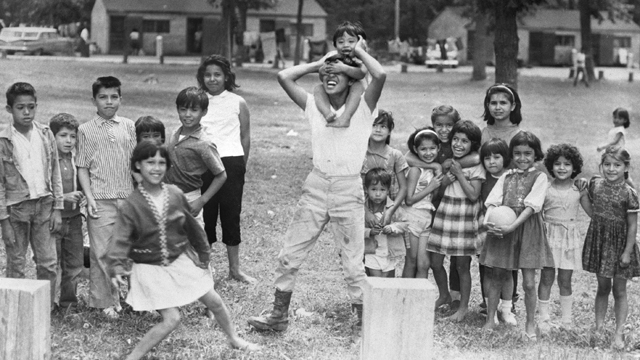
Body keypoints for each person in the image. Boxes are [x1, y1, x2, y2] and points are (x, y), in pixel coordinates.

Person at [247, 34, 386, 332]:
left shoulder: (363, 108)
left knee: (352, 263)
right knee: (289, 255)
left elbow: (381, 74)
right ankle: (278, 316)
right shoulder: (313, 105)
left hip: (348, 190)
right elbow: (284, 75)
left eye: (338, 74)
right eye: (327, 74)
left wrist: (358, 53)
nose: (330, 77)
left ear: (351, 80)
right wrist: (320, 63)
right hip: (316, 186)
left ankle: (365, 323)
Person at [104, 142, 258, 360]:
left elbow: (192, 227)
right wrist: (117, 266)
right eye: (150, 163)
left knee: (214, 300)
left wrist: (204, 253)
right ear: (137, 166)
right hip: (151, 269)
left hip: (179, 261)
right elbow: (120, 238)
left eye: (161, 163)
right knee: (172, 319)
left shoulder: (175, 194)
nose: (156, 168)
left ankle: (233, 338)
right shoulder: (132, 204)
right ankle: (133, 357)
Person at [405, 105, 480, 311]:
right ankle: (444, 294)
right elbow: (409, 156)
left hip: (456, 208)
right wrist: (437, 167)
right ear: (433, 125)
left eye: (449, 125)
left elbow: (476, 157)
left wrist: (452, 162)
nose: (444, 130)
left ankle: (456, 298)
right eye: (439, 125)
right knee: (433, 258)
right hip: (433, 206)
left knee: (458, 261)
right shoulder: (431, 140)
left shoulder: (459, 143)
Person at [485, 131, 554, 340]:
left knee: (529, 282)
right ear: (511, 154)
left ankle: (530, 324)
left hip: (527, 228)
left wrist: (512, 226)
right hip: (503, 229)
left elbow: (532, 206)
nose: (522, 158)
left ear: (536, 155)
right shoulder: (506, 176)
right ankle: (489, 320)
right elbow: (493, 201)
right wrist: (488, 223)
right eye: (517, 153)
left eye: (528, 153)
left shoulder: (540, 176)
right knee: (498, 275)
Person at [77, 76, 136, 318]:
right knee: (101, 252)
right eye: (103, 97)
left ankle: (136, 298)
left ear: (121, 99)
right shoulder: (85, 130)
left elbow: (136, 163)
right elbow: (82, 167)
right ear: (94, 100)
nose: (108, 102)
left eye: (113, 97)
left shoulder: (129, 126)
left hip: (128, 197)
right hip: (100, 199)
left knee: (131, 251)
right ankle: (105, 302)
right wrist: (89, 198)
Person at [0, 82, 63, 308]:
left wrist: (58, 208)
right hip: (17, 210)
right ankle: (13, 308)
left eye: (31, 107)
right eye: (20, 108)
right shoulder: (3, 141)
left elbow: (54, 171)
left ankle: (46, 307)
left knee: (48, 261)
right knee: (16, 262)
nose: (26, 113)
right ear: (9, 109)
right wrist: (4, 221)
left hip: (44, 206)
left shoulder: (45, 134)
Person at [196, 55, 255, 284]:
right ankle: (204, 269)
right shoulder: (199, 100)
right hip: (205, 164)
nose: (212, 79)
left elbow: (245, 135)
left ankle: (235, 269)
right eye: (208, 75)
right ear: (202, 77)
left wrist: (242, 165)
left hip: (231, 162)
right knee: (206, 215)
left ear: (226, 77)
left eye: (217, 74)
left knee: (231, 216)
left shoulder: (238, 102)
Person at [581, 146, 640, 350]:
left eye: (617, 165)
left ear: (626, 167)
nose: (611, 169)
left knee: (619, 290)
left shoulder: (629, 193)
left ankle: (619, 333)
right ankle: (598, 329)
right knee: (603, 287)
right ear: (601, 166)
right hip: (601, 243)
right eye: (607, 164)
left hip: (621, 246)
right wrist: (582, 194)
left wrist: (627, 252)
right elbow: (592, 210)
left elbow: (632, 225)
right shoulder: (595, 185)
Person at [427, 120, 485, 322]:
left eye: (465, 141)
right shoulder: (449, 161)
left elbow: (473, 194)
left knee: (462, 265)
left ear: (473, 144)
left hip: (464, 216)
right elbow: (438, 191)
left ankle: (462, 308)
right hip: (445, 213)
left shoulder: (475, 166)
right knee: (434, 261)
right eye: (456, 140)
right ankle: (444, 294)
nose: (458, 144)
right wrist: (443, 182)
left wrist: (459, 174)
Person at [537, 144, 588, 331]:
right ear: (551, 166)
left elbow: (592, 212)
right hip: (549, 238)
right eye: (557, 164)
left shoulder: (579, 190)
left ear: (574, 168)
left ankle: (566, 321)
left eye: (567, 164)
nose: (562, 168)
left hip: (568, 240)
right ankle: (544, 319)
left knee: (565, 280)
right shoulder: (546, 189)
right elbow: (537, 214)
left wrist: (589, 189)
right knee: (546, 278)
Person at [164, 87, 227, 231]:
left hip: (190, 198)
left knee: (193, 243)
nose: (187, 115)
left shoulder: (204, 143)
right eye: (183, 109)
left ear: (204, 112)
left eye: (194, 110)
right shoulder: (175, 133)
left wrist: (201, 201)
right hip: (168, 197)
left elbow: (221, 175)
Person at [478, 138, 517, 329]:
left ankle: (506, 308)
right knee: (489, 270)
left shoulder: (513, 177)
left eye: (496, 157)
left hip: (509, 230)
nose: (491, 161)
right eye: (487, 158)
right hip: (488, 229)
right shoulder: (482, 177)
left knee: (507, 271)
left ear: (506, 158)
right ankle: (489, 308)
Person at [50, 113, 85, 314]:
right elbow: (44, 191)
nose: (68, 141)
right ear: (53, 137)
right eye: (63, 136)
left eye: (72, 136)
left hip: (74, 221)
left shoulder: (76, 160)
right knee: (51, 264)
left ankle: (68, 305)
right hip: (53, 220)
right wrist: (64, 197)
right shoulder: (49, 161)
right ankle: (46, 304)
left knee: (74, 265)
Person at [401, 128, 441, 281]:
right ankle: (404, 298)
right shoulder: (415, 170)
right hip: (412, 218)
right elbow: (409, 199)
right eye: (423, 149)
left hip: (426, 219)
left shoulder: (433, 172)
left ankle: (419, 302)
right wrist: (431, 187)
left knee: (424, 264)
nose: (428, 153)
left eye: (432, 148)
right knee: (411, 260)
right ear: (416, 150)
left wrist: (435, 185)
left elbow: (432, 198)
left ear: (438, 148)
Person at [314, 21, 368, 128]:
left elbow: (361, 73)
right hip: (339, 91)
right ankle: (327, 113)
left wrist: (343, 68)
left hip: (358, 93)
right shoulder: (332, 56)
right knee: (318, 88)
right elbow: (321, 75)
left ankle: (346, 117)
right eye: (341, 42)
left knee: (357, 85)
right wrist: (323, 70)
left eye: (351, 41)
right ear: (335, 45)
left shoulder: (361, 57)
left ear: (360, 44)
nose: (345, 45)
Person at [360, 110, 408, 228]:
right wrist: (366, 212)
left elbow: (403, 187)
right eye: (373, 125)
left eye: (383, 126)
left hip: (389, 210)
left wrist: (391, 210)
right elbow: (352, 187)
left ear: (389, 131)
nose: (378, 129)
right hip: (361, 208)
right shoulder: (359, 155)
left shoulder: (395, 155)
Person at [363, 168, 408, 278]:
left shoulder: (392, 208)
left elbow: (405, 224)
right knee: (376, 282)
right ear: (366, 189)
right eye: (373, 189)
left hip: (390, 253)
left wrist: (392, 228)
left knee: (389, 281)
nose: (378, 194)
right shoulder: (364, 210)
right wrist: (370, 232)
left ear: (388, 190)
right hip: (372, 253)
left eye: (382, 190)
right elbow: (356, 229)